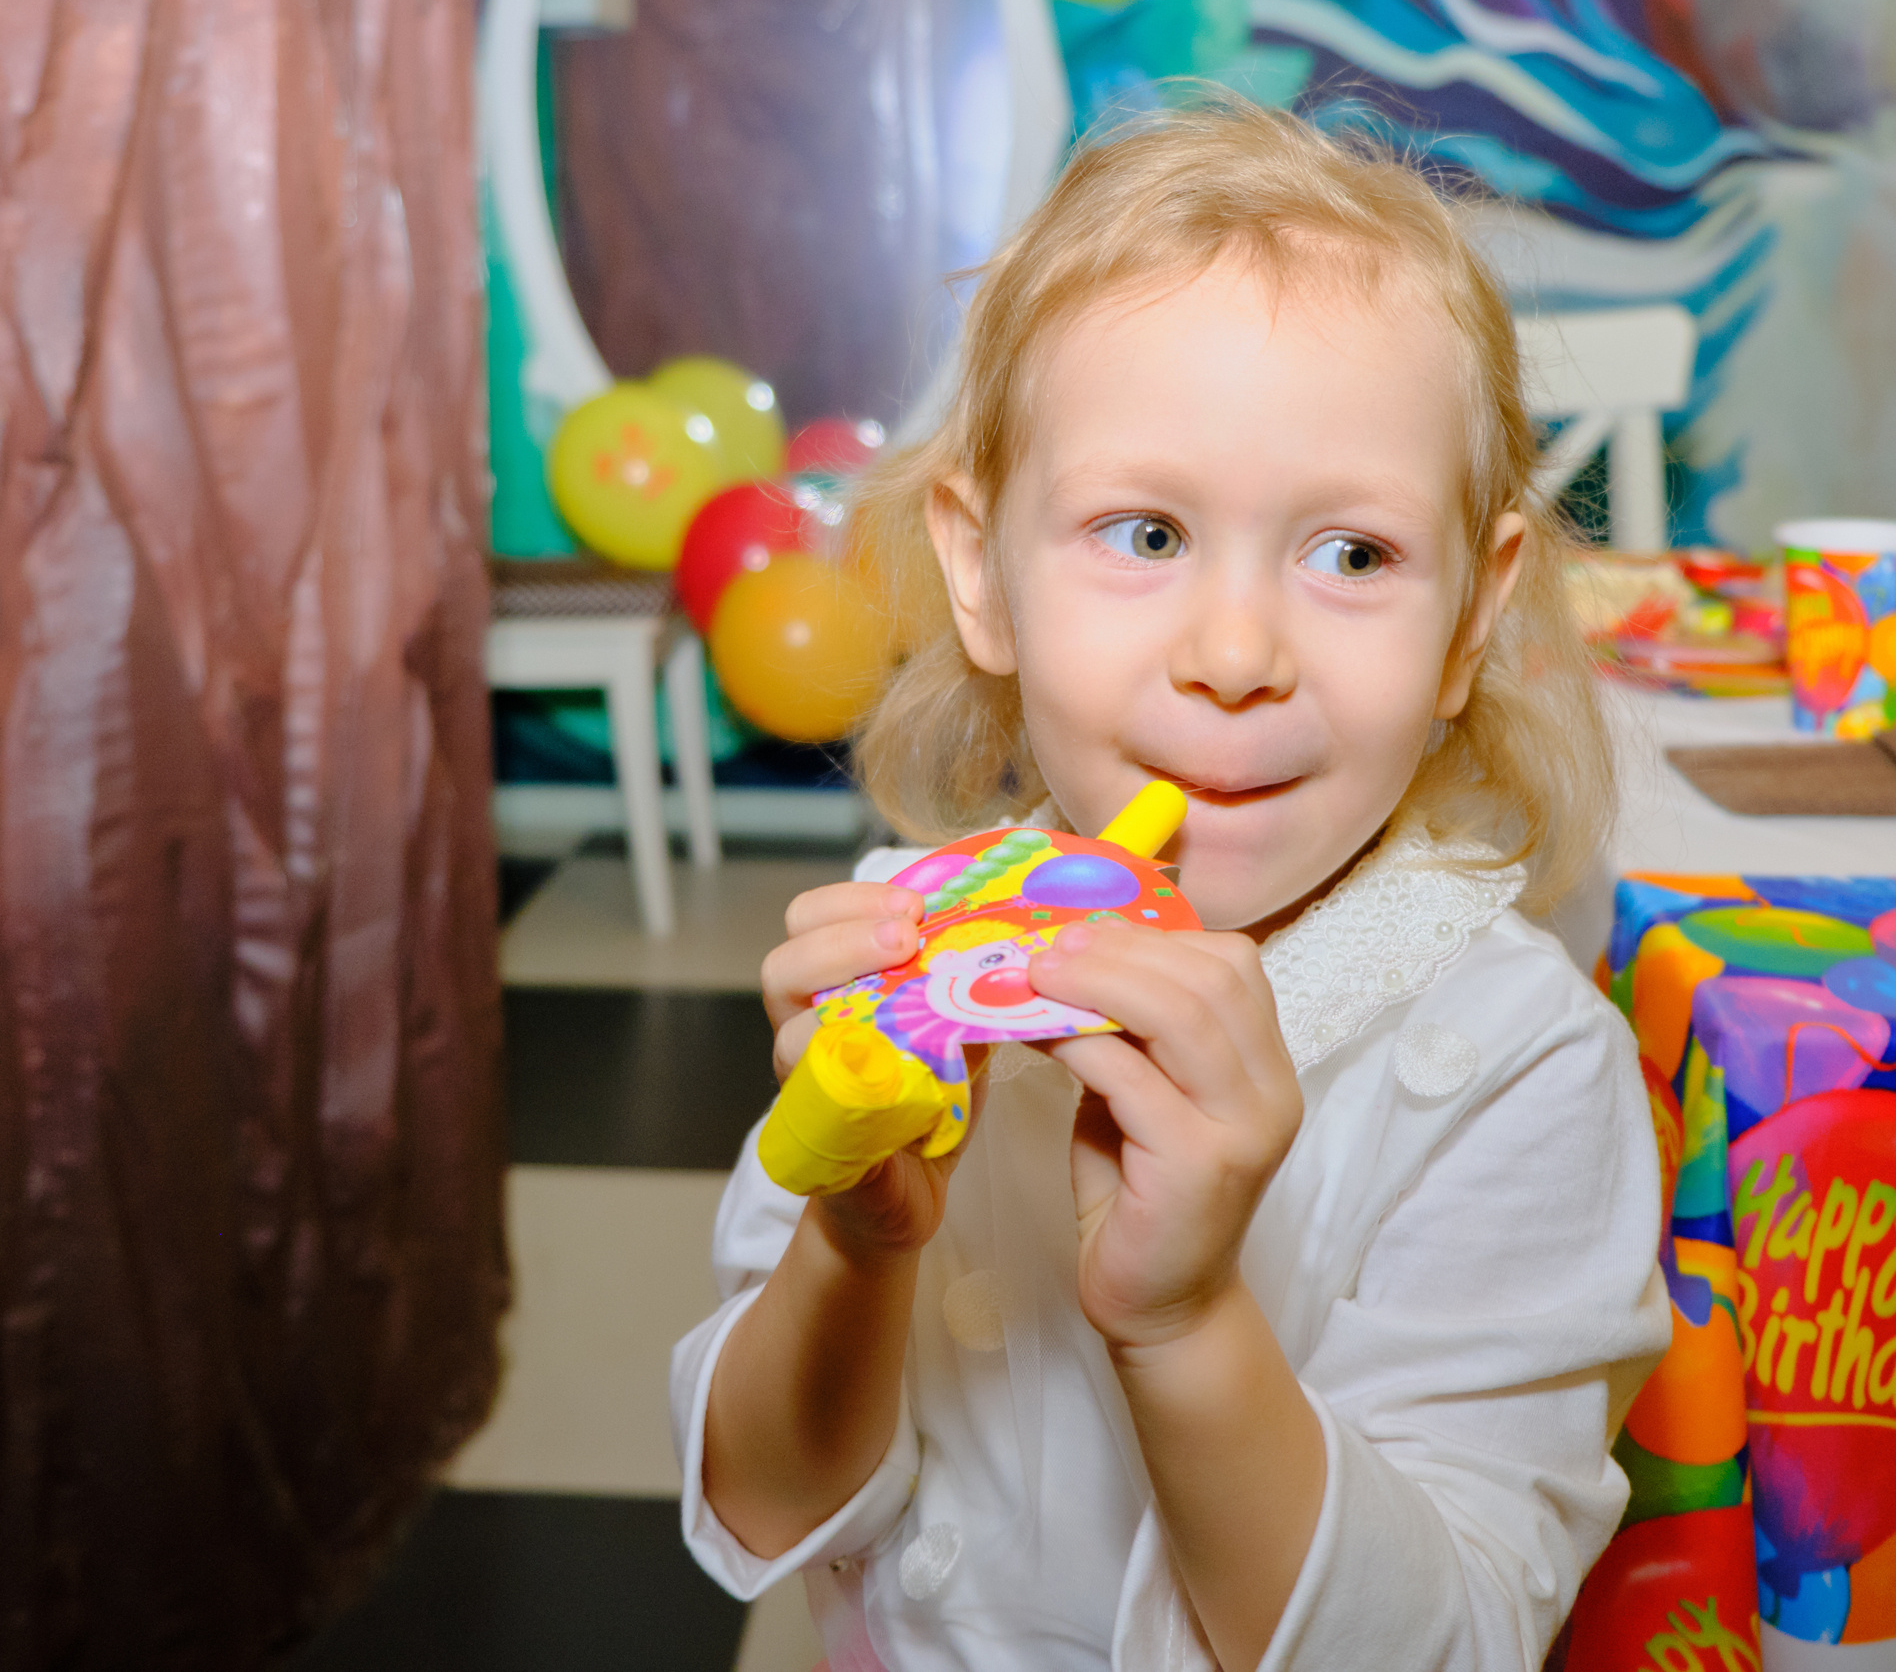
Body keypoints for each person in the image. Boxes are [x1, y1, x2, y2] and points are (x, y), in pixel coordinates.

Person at [671, 96, 1668, 1671]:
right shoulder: (906, 953)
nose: (1232, 656)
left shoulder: (1524, 1071)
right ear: (982, 568)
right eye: (1144, 532)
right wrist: (852, 1244)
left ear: (1475, 619)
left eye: (1351, 557)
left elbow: (1457, 1642)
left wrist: (1187, 1318)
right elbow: (761, 1499)